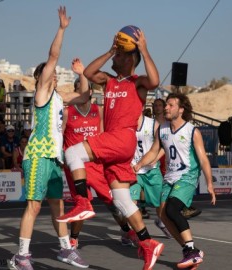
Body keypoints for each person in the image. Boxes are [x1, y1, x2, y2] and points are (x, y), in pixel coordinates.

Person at [57, 28, 164, 270]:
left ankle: (83, 202)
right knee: (122, 201)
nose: (114, 58)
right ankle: (148, 243)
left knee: (72, 152)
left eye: (118, 55)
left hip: (121, 138)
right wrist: (110, 51)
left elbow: (155, 80)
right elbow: (88, 72)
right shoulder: (109, 80)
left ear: (129, 59)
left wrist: (144, 50)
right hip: (117, 144)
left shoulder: (138, 84)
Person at [10, 6, 86, 270]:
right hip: (38, 155)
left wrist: (82, 75)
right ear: (41, 77)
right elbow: (53, 55)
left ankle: (66, 249)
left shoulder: (58, 99)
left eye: (54, 73)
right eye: (49, 72)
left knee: (58, 205)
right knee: (34, 205)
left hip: (54, 157)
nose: (54, 73)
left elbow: (85, 96)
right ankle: (21, 256)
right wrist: (62, 29)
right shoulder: (41, 93)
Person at [134, 93, 216, 269]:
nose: (166, 108)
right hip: (169, 177)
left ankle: (191, 251)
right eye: (166, 105)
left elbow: (203, 159)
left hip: (187, 176)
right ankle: (190, 251)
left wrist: (209, 182)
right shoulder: (162, 129)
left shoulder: (192, 131)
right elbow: (154, 151)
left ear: (181, 109)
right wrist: (139, 163)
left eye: (171, 105)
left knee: (171, 208)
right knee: (163, 214)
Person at [63, 70, 137, 253]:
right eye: (80, 89)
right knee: (81, 203)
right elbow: (60, 136)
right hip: (75, 165)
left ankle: (126, 231)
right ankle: (73, 239)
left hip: (95, 162)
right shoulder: (67, 112)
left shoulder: (100, 111)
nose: (84, 93)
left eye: (86, 89)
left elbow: (105, 135)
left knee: (113, 202)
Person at [153, 98, 202, 220]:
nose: (161, 107)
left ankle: (182, 207)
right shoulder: (154, 123)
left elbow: (169, 144)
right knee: (161, 196)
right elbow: (161, 145)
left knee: (172, 195)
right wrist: (151, 159)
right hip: (157, 158)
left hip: (171, 161)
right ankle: (168, 215)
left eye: (161, 105)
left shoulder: (173, 123)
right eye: (157, 105)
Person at [131, 112, 172, 238]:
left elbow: (164, 145)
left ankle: (161, 221)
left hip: (151, 170)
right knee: (130, 204)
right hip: (132, 169)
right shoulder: (125, 124)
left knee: (160, 203)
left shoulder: (153, 124)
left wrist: (155, 158)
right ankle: (131, 232)